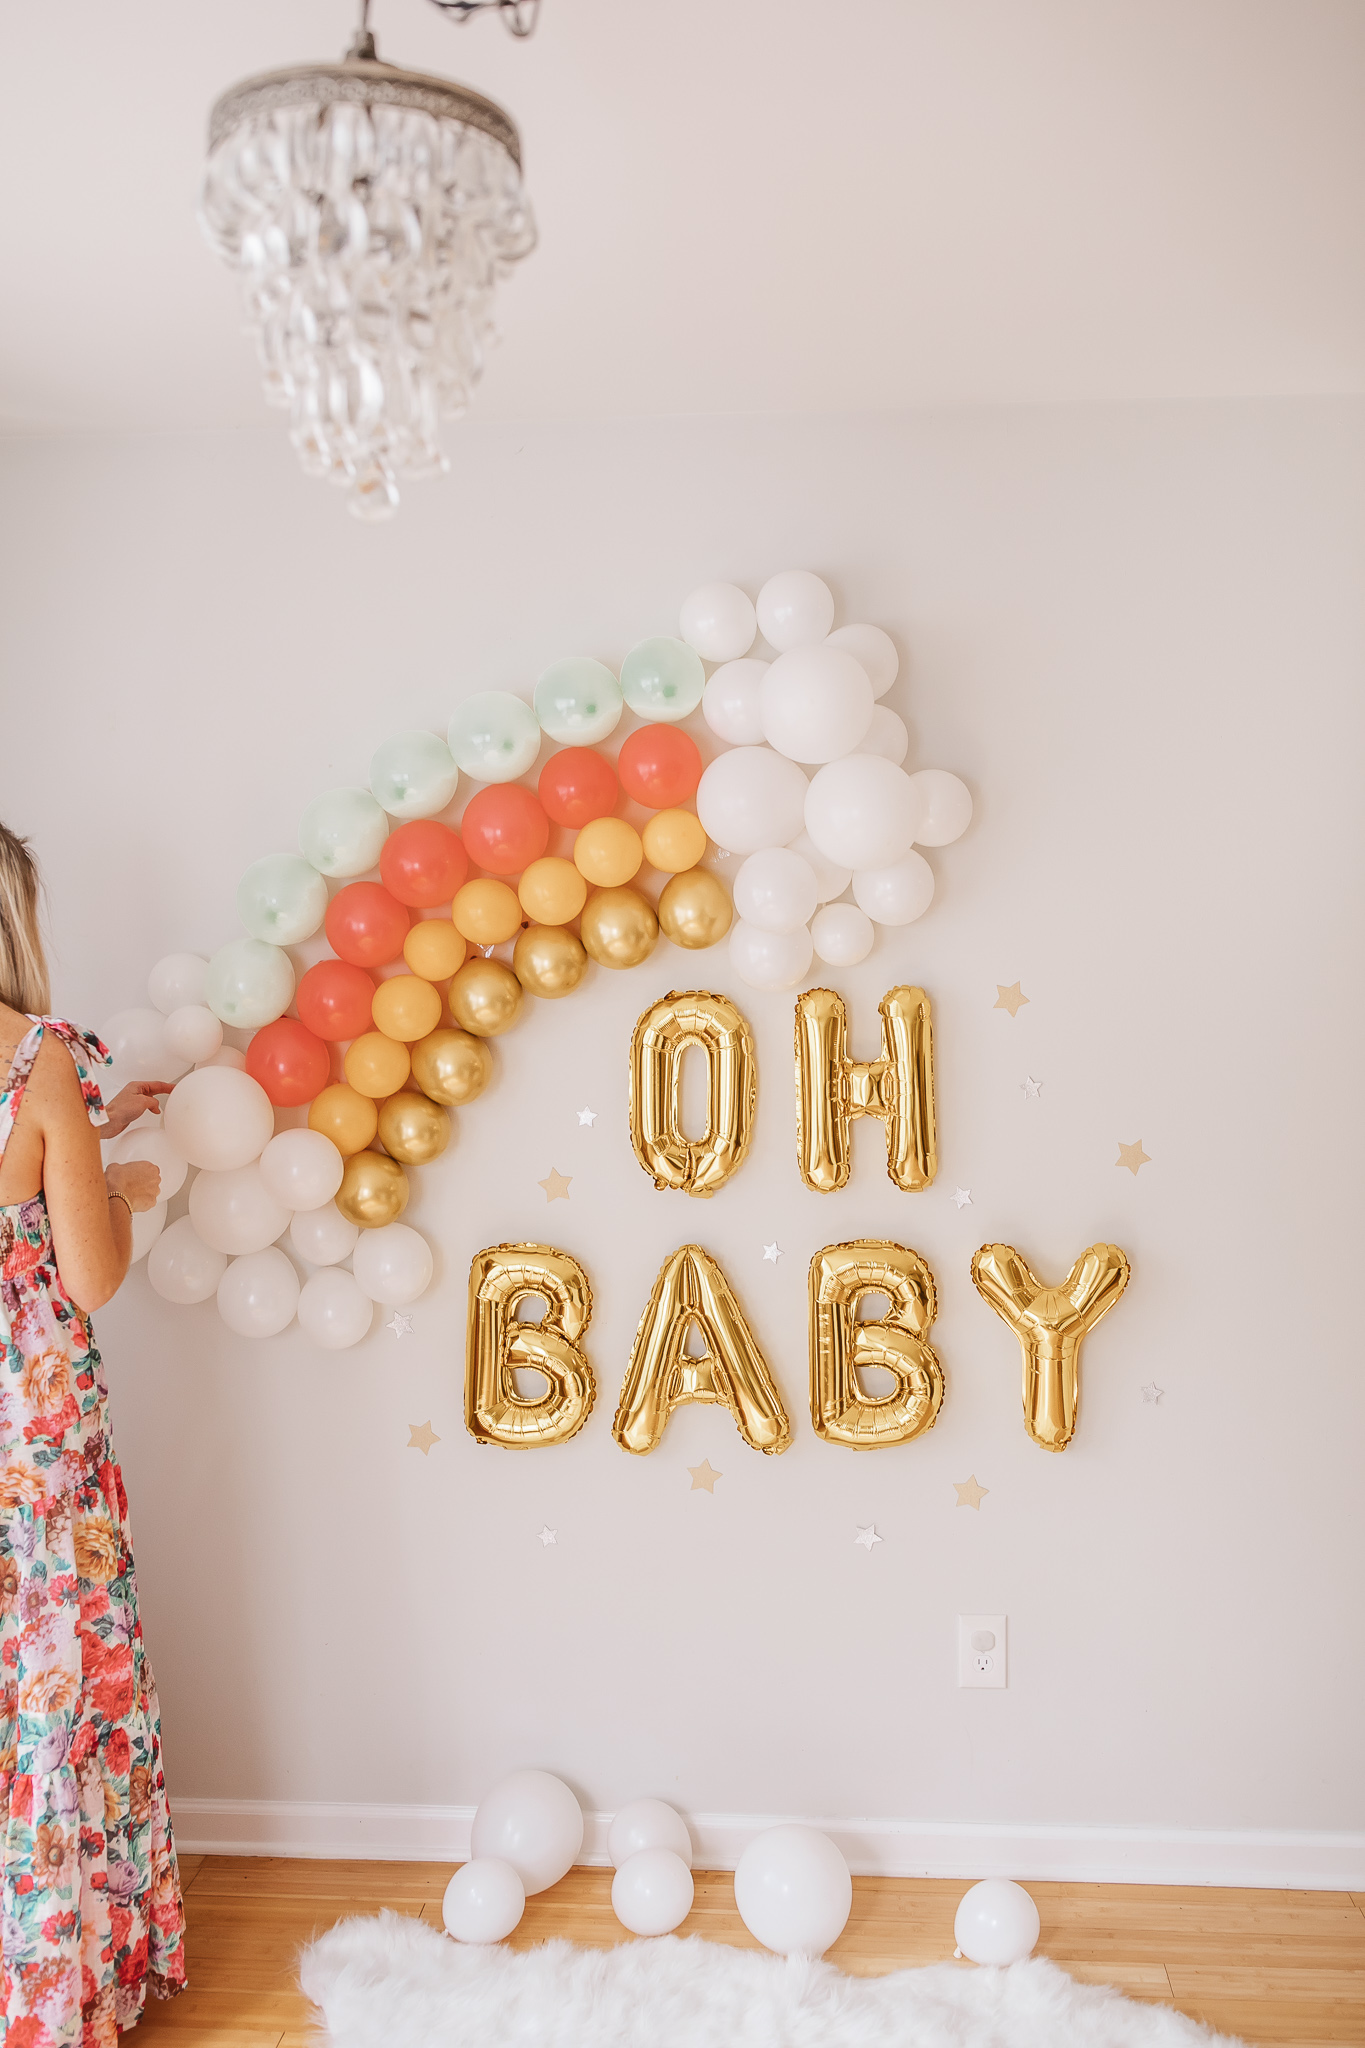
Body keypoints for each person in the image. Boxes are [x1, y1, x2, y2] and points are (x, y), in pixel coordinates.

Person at [0, 823, 187, 2042]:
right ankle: (56, 1977)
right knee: (53, 1673)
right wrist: (126, 1181)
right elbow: (92, 1272)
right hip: (31, 1415)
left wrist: (87, 1126)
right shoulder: (34, 1057)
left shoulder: (56, 1080)